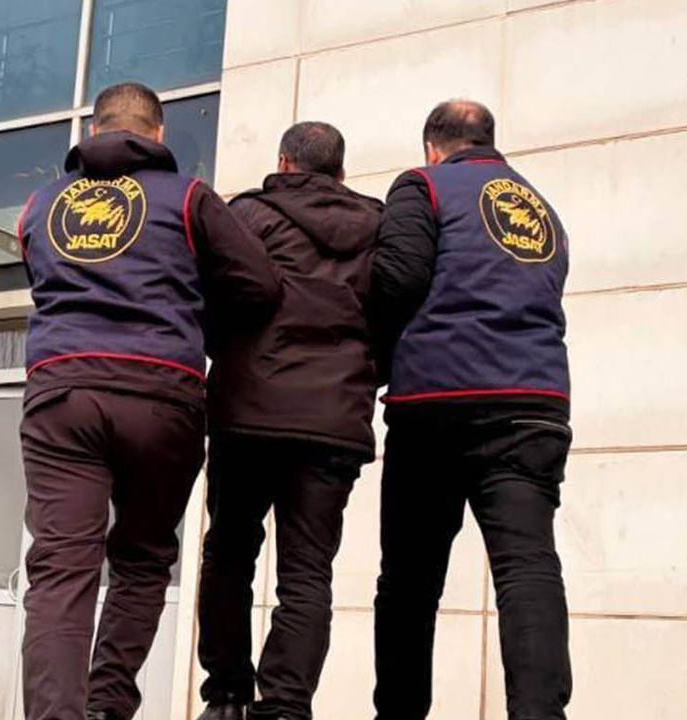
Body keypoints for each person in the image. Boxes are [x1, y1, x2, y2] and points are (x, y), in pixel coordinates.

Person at [18, 82, 281, 720]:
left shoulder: (39, 207)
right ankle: (107, 708)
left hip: (63, 393)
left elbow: (41, 279)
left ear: (94, 130)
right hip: (162, 395)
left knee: (61, 571)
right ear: (158, 134)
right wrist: (193, 318)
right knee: (140, 561)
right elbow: (261, 284)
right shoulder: (188, 198)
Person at [368, 100, 574, 720]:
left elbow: (396, 280)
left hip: (437, 403)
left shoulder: (423, 185)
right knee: (527, 569)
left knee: (409, 580)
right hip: (533, 404)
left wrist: (377, 360)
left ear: (432, 147)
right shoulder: (540, 206)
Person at [195, 122, 383, 720]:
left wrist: (227, 356)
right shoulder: (379, 227)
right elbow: (395, 310)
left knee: (229, 552)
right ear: (341, 172)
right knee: (307, 572)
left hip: (247, 415)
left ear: (283, 162)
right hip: (332, 421)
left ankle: (227, 695)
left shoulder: (246, 216)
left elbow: (210, 300)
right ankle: (284, 707)